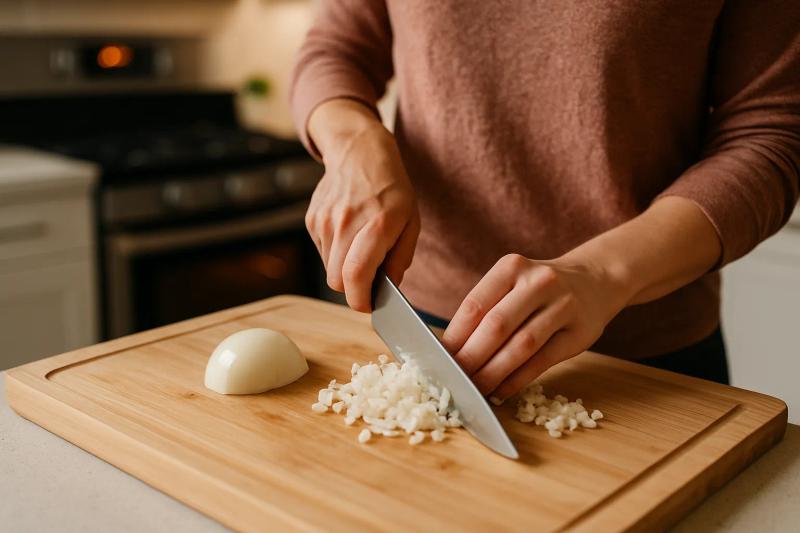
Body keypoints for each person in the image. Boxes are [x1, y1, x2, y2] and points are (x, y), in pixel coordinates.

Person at [289, 1, 799, 400]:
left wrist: (603, 275)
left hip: (648, 356)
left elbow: (770, 136)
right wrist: (353, 141)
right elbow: (335, 49)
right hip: (425, 323)